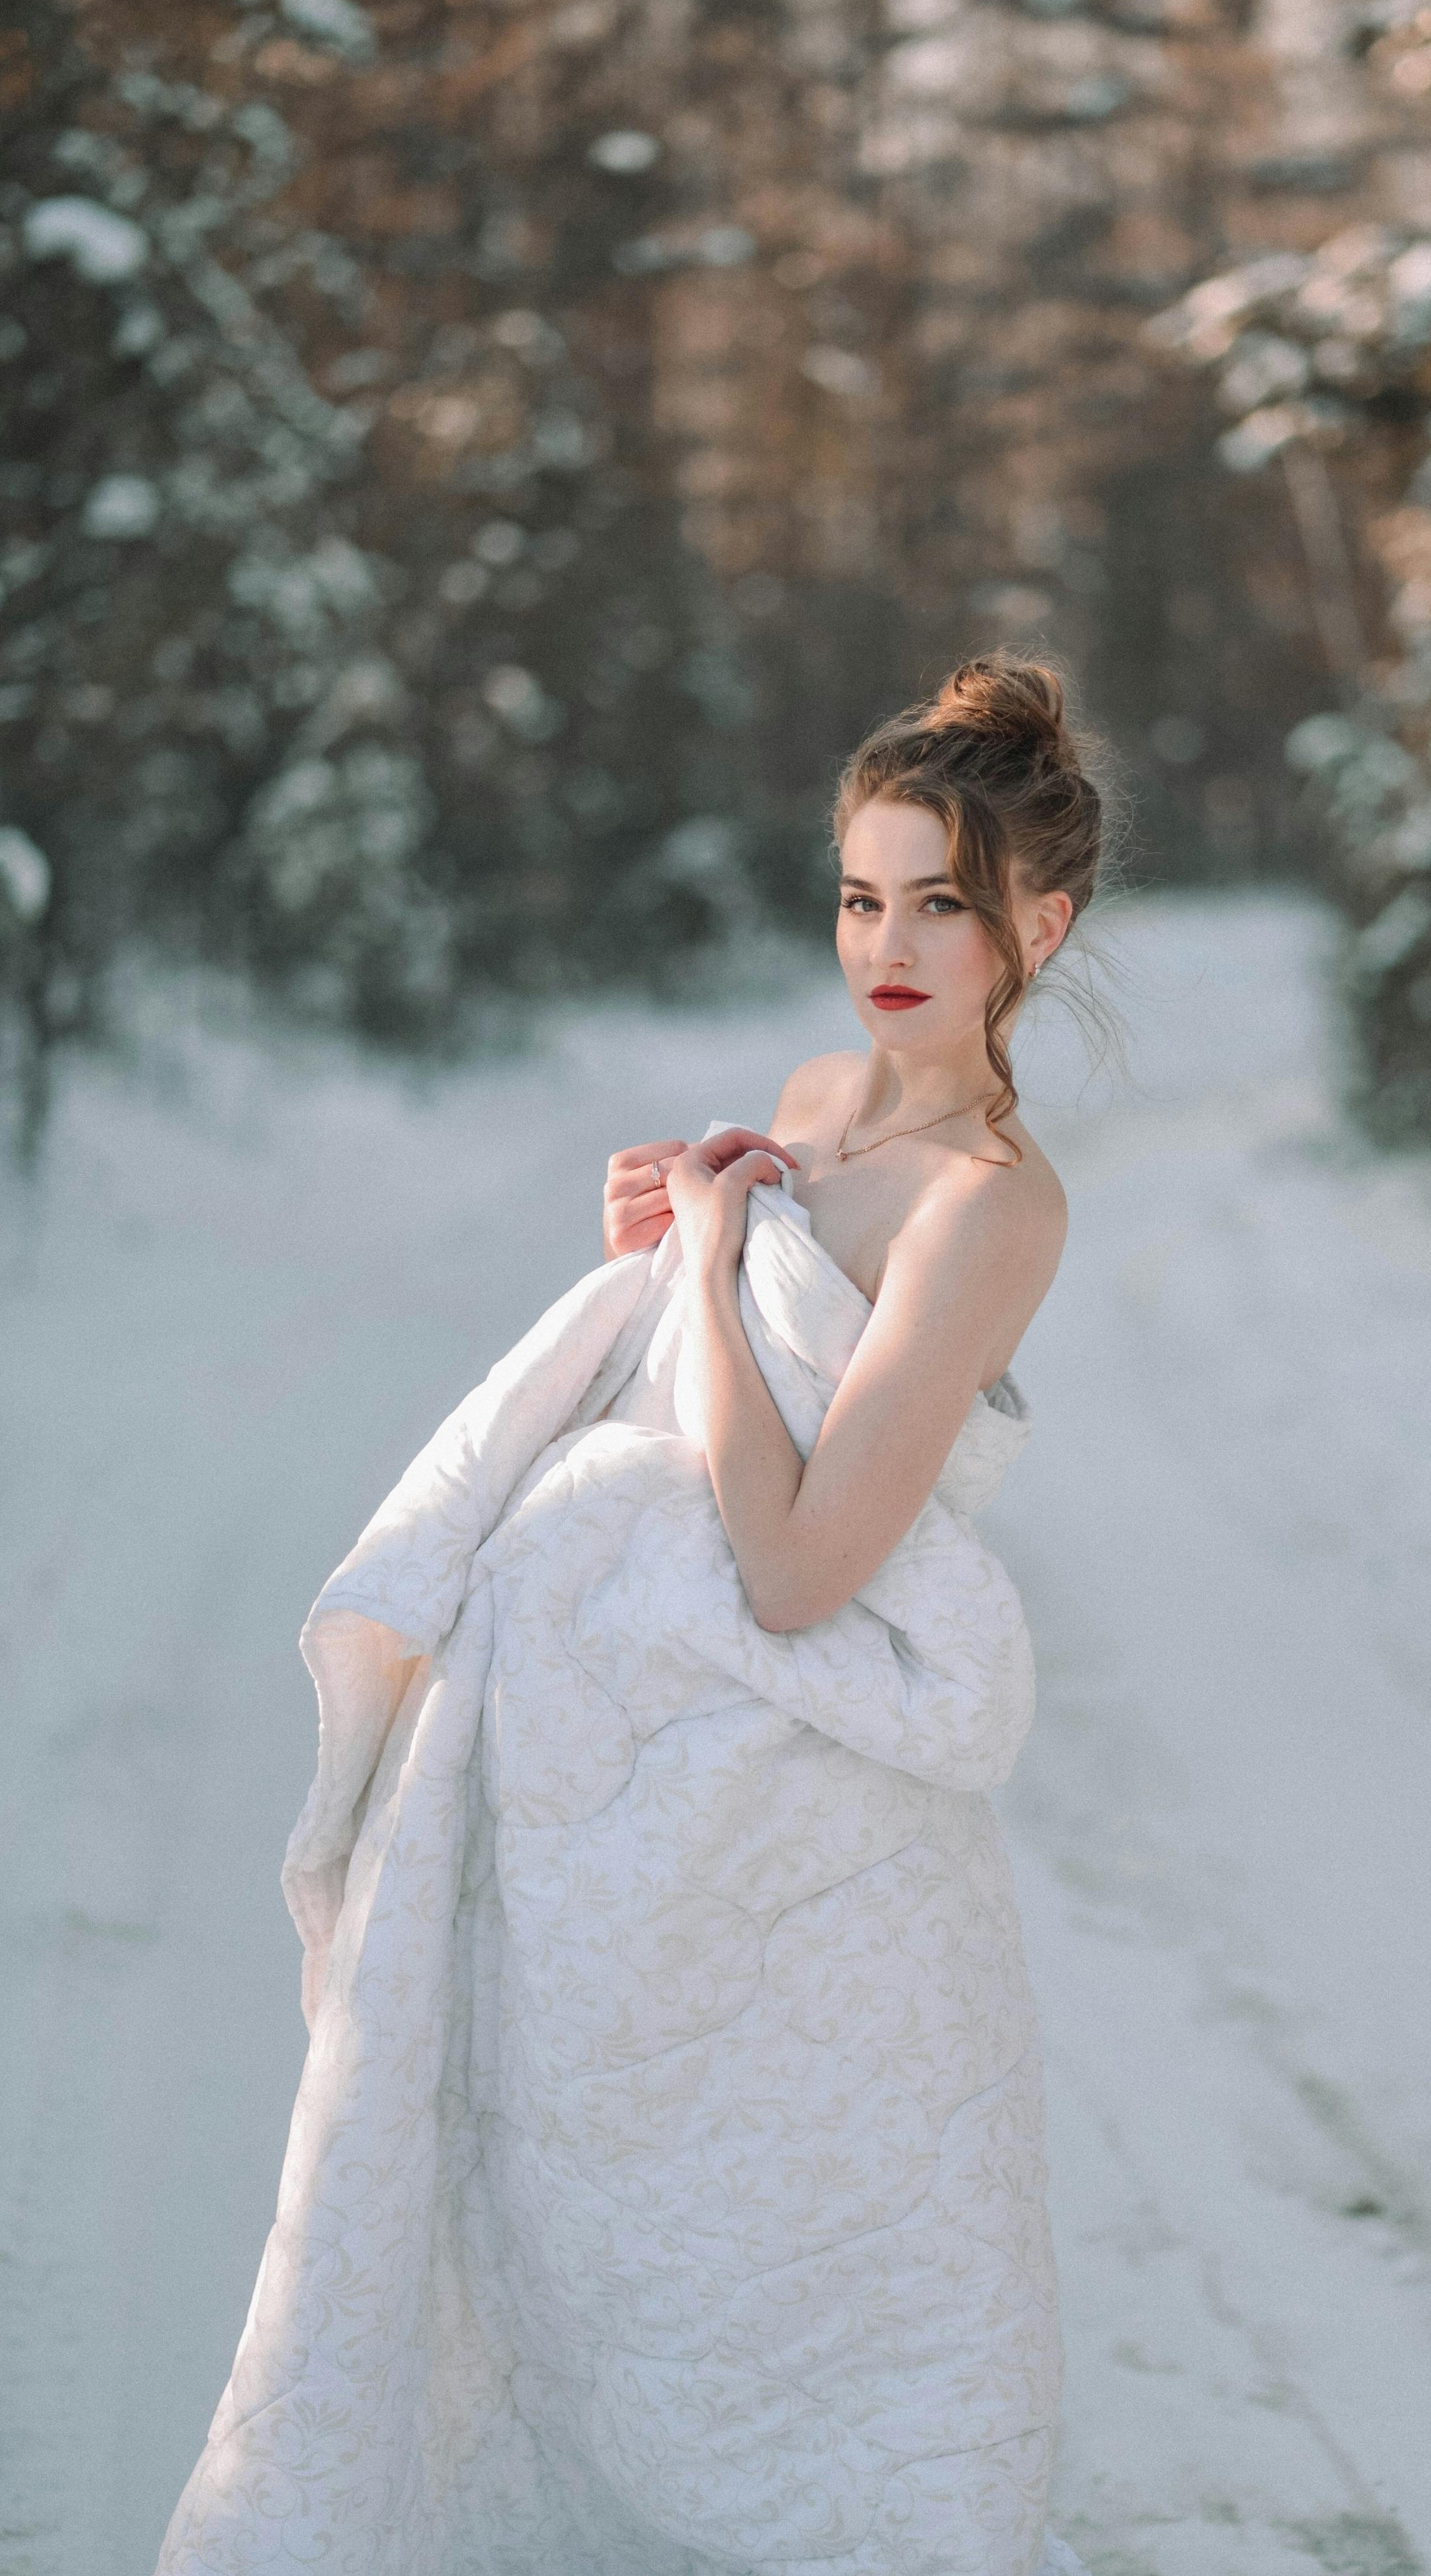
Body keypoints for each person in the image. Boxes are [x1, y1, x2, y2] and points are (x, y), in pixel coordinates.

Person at [158, 654, 1102, 2576]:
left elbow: (798, 1565)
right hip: (602, 1812)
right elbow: (698, 1374)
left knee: (797, 2315)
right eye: (861, 894)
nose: (889, 944)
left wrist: (705, 1274)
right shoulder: (819, 1102)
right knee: (563, 2256)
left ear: (1041, 922)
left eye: (942, 901)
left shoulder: (991, 1205)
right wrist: (674, 1240)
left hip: (798, 1839)